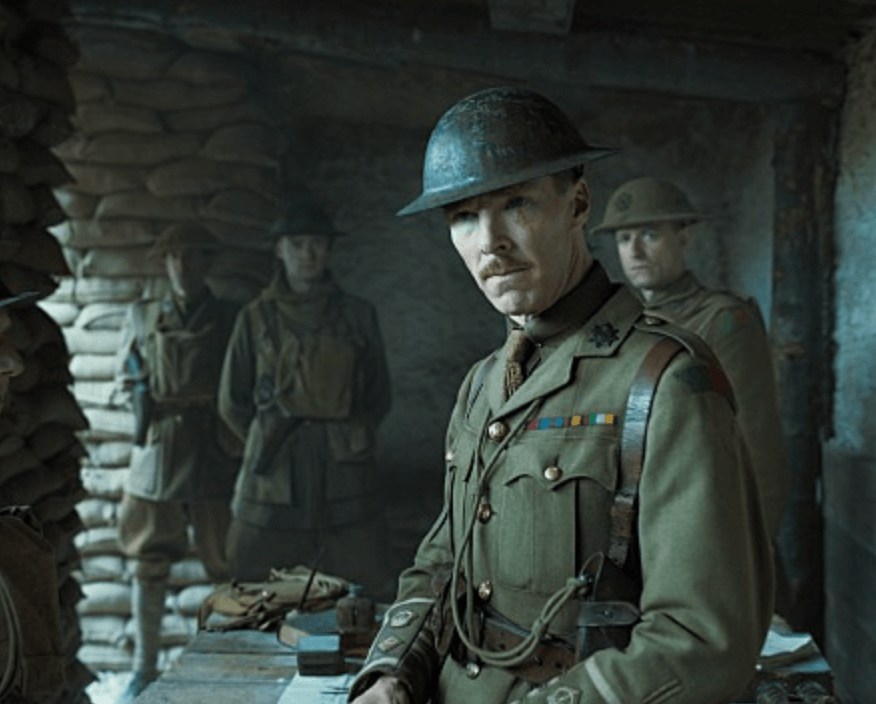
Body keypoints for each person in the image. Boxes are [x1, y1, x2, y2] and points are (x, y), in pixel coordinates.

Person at [349, 87, 773, 704]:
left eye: (516, 204)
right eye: (463, 216)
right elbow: (442, 565)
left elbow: (703, 642)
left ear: (577, 204)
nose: (489, 241)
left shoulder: (663, 380)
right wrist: (391, 673)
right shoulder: (481, 386)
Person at [591, 176, 790, 538]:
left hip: (701, 518)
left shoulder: (723, 321)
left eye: (650, 235)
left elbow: (755, 440)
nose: (635, 252)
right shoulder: (617, 325)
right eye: (624, 239)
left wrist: (753, 540)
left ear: (684, 237)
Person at [218, 194, 392, 592]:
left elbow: (378, 396)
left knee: (359, 580)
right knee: (253, 579)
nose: (307, 254)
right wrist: (266, 438)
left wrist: (350, 436)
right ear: (279, 250)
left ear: (330, 250)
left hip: (345, 472)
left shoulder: (358, 315)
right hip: (274, 472)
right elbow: (232, 401)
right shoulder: (255, 318)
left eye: (317, 244)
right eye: (296, 244)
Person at [115, 222, 240, 703]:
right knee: (147, 561)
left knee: (226, 565)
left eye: (194, 257)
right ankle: (142, 669)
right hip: (160, 450)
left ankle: (227, 663)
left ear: (209, 263)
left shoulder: (230, 318)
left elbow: (244, 383)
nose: (183, 267)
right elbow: (125, 378)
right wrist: (138, 399)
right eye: (175, 257)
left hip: (213, 448)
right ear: (164, 262)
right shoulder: (143, 315)